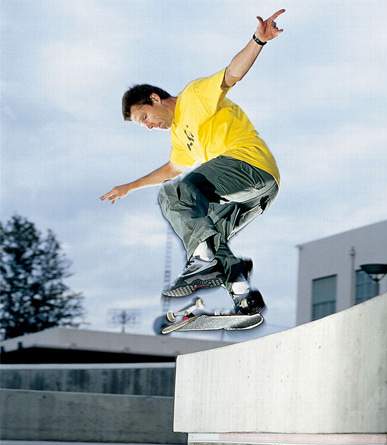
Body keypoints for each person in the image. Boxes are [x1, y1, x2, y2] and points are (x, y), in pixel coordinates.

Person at [101, 9, 285, 315]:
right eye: (141, 125)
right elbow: (173, 168)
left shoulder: (192, 97)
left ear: (155, 99)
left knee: (174, 193)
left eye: (145, 117)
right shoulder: (178, 135)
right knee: (209, 231)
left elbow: (231, 75)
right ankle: (243, 297)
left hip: (247, 164)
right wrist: (129, 187)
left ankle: (202, 261)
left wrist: (257, 40)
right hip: (262, 190)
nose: (148, 126)